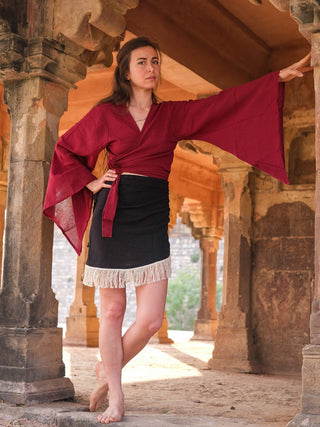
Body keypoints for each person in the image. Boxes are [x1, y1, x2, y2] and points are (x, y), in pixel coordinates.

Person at [43, 36, 312, 424]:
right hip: (113, 214)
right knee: (113, 311)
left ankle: (108, 367)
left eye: (155, 61)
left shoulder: (172, 116)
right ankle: (117, 396)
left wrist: (277, 79)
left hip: (152, 215)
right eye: (142, 62)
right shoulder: (106, 115)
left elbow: (221, 106)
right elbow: (65, 149)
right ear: (126, 70)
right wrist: (90, 183)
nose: (151, 68)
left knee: (151, 319)